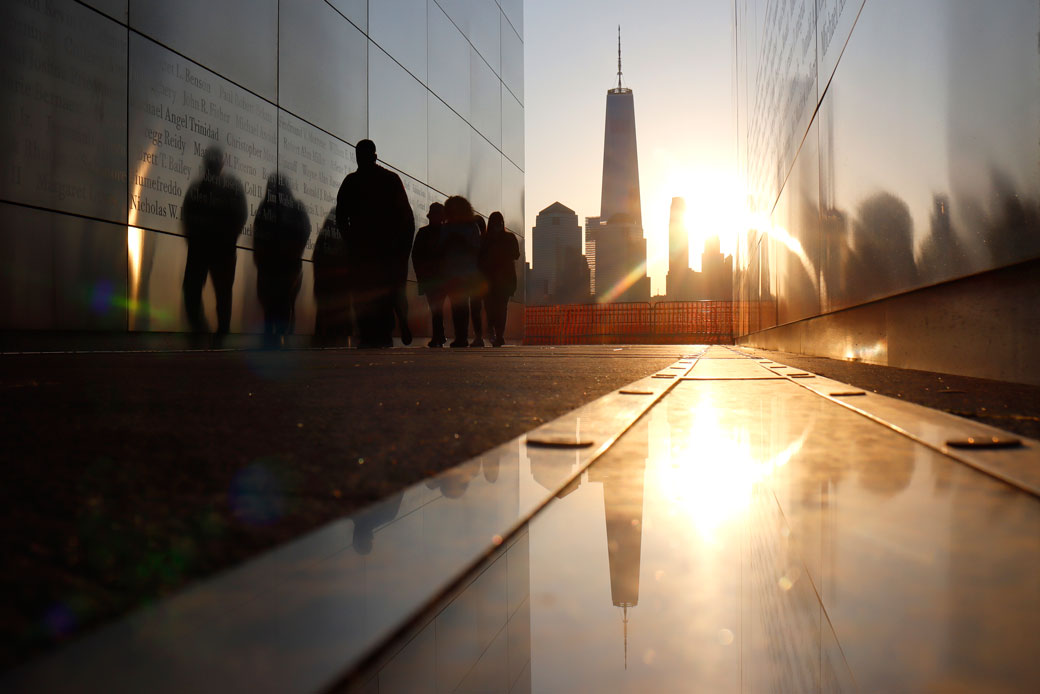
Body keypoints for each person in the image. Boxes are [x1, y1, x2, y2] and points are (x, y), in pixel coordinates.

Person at [336, 139, 415, 348]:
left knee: (369, 292)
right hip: (379, 249)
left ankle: (374, 332)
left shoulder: (354, 182)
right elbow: (406, 218)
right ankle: (382, 331)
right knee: (382, 292)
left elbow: (341, 217)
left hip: (371, 249)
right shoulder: (387, 179)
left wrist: (350, 240)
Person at [181, 146, 248, 340]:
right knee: (200, 292)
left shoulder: (224, 187)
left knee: (221, 294)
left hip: (218, 249)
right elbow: (187, 215)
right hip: (207, 249)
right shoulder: (199, 188)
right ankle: (207, 332)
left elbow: (241, 214)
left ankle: (219, 334)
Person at [253, 174, 311, 347]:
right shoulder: (268, 207)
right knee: (274, 302)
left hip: (285, 265)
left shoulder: (282, 207)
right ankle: (276, 336)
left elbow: (304, 230)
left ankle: (280, 336)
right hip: (274, 264)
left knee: (281, 301)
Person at [439, 196, 482, 348]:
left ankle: (462, 337)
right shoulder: (447, 227)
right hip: (453, 271)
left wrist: (461, 243)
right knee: (456, 305)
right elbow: (441, 248)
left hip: (465, 272)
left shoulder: (471, 227)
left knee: (461, 305)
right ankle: (460, 336)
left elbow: (477, 248)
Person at [313, 208, 352, 344]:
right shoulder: (345, 238)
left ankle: (324, 339)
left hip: (327, 286)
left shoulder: (324, 239)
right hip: (339, 287)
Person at [480, 211, 520, 347]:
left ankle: (495, 333)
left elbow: (480, 259)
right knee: (500, 308)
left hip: (492, 280)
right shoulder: (508, 238)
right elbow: (516, 254)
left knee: (493, 308)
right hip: (502, 280)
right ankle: (498, 334)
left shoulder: (485, 239)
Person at [411, 202, 447, 347]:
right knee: (436, 306)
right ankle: (439, 335)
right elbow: (416, 255)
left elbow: (416, 255)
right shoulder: (442, 233)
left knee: (435, 306)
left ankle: (438, 336)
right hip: (433, 276)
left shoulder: (425, 233)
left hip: (436, 276)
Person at [470, 215, 488, 347]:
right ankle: (483, 335)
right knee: (483, 308)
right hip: (482, 279)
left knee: (477, 308)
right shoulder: (487, 241)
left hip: (478, 279)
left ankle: (479, 336)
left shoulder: (474, 243)